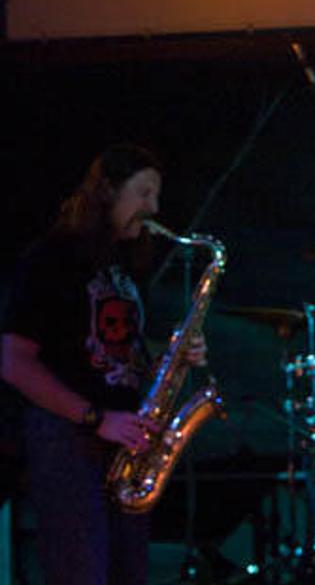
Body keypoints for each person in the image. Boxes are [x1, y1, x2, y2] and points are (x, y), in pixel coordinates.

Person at [1, 144, 207, 585]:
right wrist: (96, 418)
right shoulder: (51, 259)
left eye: (156, 195)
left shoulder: (124, 266)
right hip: (68, 443)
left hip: (123, 449)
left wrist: (174, 360)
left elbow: (120, 363)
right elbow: (13, 361)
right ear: (108, 190)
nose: (154, 208)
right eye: (144, 193)